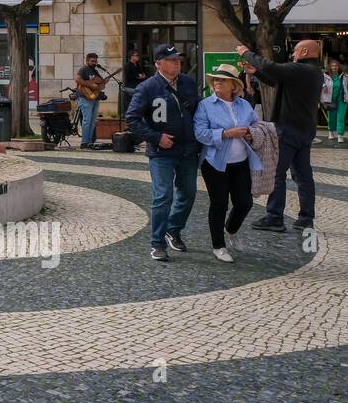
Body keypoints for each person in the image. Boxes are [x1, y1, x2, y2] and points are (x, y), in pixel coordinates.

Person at [238, 40, 325, 232]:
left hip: (288, 130)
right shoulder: (314, 72)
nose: (293, 54)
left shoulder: (301, 69)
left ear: (304, 51)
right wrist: (256, 73)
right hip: (304, 131)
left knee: (277, 174)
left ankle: (274, 216)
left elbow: (272, 68)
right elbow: (278, 81)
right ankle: (306, 218)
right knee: (303, 176)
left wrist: (246, 52)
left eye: (295, 51)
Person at [126, 44, 200, 262]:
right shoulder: (147, 87)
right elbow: (132, 119)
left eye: (178, 59)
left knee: (188, 194)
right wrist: (157, 137)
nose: (177, 63)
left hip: (188, 150)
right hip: (161, 153)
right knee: (163, 196)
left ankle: (173, 229)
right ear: (159, 64)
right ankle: (157, 243)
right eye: (172, 60)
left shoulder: (188, 82)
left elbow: (197, 111)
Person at [193, 64, 261, 263]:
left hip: (241, 162)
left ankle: (231, 229)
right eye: (215, 79)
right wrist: (225, 134)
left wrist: (251, 132)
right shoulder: (205, 105)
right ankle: (218, 245)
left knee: (244, 202)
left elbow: (257, 125)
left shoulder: (244, 105)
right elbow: (200, 134)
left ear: (234, 85)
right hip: (214, 163)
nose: (217, 82)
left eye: (222, 79)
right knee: (219, 203)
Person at [75, 53, 106, 149]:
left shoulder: (95, 71)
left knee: (92, 121)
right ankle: (84, 142)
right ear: (87, 61)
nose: (94, 63)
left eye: (96, 61)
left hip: (95, 98)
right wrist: (90, 85)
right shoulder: (83, 69)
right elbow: (77, 79)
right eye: (92, 61)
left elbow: (101, 83)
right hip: (85, 97)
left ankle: (89, 141)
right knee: (86, 120)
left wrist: (102, 84)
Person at [325, 59, 348, 144]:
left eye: (336, 66)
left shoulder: (344, 76)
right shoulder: (326, 76)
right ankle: (331, 132)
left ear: (339, 67)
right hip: (330, 100)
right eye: (333, 66)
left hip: (342, 100)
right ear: (330, 67)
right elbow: (321, 85)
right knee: (331, 117)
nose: (334, 67)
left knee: (340, 118)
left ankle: (340, 135)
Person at [122, 49, 149, 115]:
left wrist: (142, 76)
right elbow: (129, 76)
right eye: (136, 55)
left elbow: (142, 73)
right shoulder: (128, 65)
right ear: (131, 56)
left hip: (138, 86)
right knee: (132, 102)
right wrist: (138, 76)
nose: (138, 57)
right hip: (130, 87)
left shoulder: (137, 65)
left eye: (138, 55)